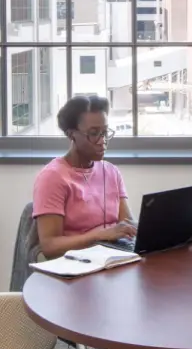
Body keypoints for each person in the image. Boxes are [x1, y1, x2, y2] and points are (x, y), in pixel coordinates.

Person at [33, 94, 136, 259]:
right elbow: (50, 246)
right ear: (71, 134)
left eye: (105, 132)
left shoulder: (111, 172)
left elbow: (127, 225)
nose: (102, 141)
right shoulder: (53, 177)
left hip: (114, 257)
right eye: (94, 133)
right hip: (77, 263)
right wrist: (98, 235)